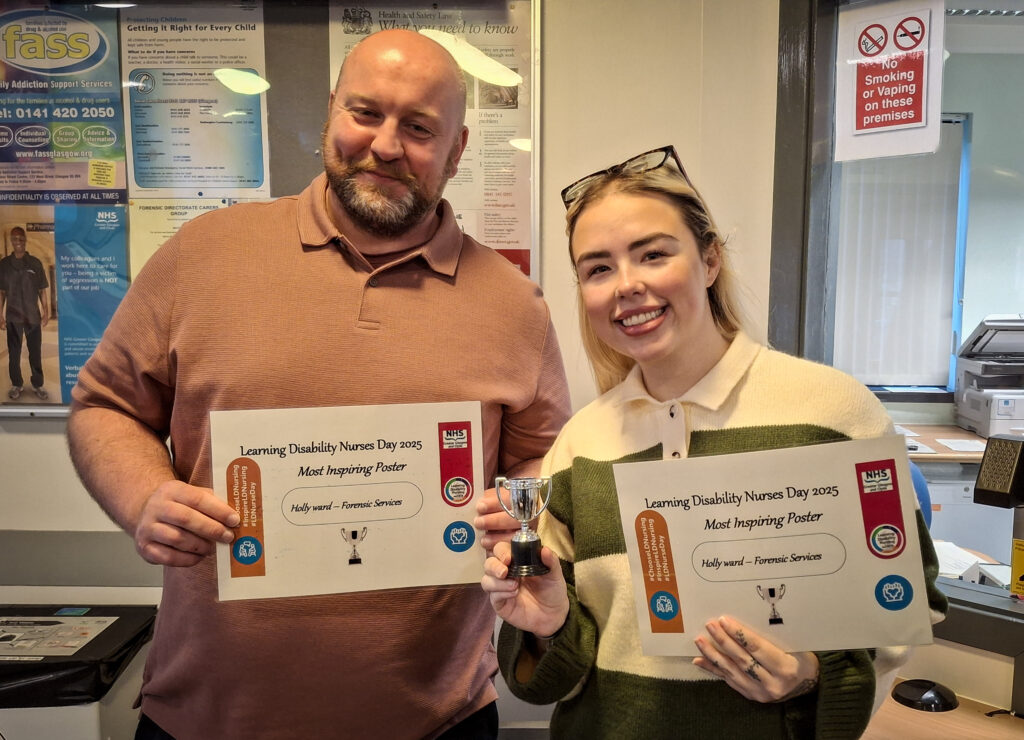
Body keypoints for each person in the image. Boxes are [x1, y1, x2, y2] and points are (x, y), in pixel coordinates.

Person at [66, 30, 570, 740]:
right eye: (366, 112)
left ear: (456, 152)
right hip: (209, 718)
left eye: (420, 128)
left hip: (436, 721)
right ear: (332, 111)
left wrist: (514, 520)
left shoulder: (515, 305)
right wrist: (143, 495)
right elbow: (105, 405)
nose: (387, 145)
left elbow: (542, 457)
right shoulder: (203, 255)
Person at [477, 145, 947, 738]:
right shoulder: (581, 444)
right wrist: (548, 626)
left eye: (652, 254)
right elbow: (562, 680)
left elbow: (907, 604)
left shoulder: (833, 411)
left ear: (710, 259)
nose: (627, 286)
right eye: (598, 268)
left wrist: (808, 675)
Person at [0, 226, 50, 400]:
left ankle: (37, 384)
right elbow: (2, 292)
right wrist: (0, 314)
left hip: (32, 317)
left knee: (35, 351)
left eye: (21, 239)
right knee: (14, 353)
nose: (18, 242)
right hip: (13, 317)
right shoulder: (4, 265)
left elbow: (42, 289)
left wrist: (46, 311)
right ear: (11, 241)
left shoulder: (35, 263)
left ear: (25, 240)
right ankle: (17, 384)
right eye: (15, 239)